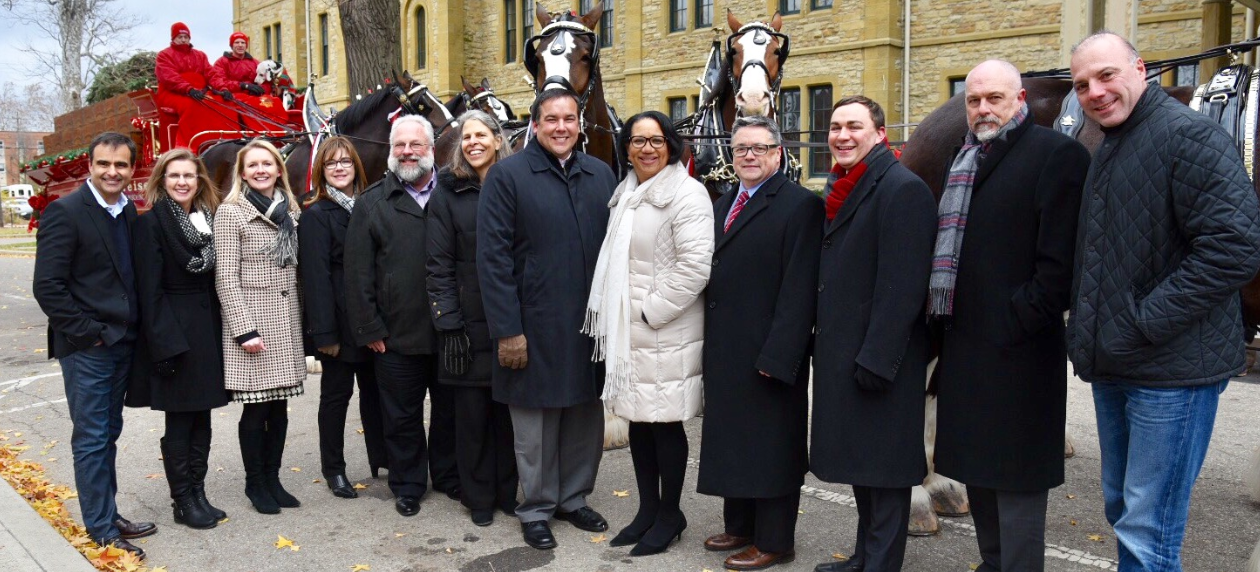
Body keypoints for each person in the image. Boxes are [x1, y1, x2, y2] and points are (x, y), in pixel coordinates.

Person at [1068, 32, 1260, 572]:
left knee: (1148, 528)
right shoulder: (1113, 143)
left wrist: (1140, 322)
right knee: (1124, 510)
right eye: (1083, 84)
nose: (1096, 92)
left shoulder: (1188, 138)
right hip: (1119, 363)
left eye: (1107, 75)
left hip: (1170, 373)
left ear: (1140, 69)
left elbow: (1235, 249)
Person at [930, 61, 1090, 572]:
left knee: (1017, 482)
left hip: (1020, 352)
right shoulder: (965, 158)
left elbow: (1060, 268)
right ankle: (992, 563)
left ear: (1019, 99)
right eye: (974, 100)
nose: (983, 109)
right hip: (966, 347)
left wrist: (1011, 321)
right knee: (976, 471)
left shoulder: (1055, 156)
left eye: (994, 98)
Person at [477, 89, 616, 550]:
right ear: (535, 124)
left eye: (569, 119)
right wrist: (507, 330)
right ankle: (535, 507)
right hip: (531, 326)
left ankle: (573, 499)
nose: (561, 127)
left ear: (581, 124)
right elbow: (492, 260)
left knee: (582, 416)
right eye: (551, 118)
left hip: (588, 327)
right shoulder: (508, 176)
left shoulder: (600, 174)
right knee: (534, 427)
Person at [809, 96, 936, 572]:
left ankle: (880, 565)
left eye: (854, 126)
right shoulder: (849, 185)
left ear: (880, 134)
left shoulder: (902, 189)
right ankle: (865, 558)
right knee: (864, 465)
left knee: (884, 472)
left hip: (881, 357)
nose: (842, 135)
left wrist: (877, 359)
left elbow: (903, 287)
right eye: (836, 126)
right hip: (850, 352)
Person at [585, 110, 713, 557]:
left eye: (656, 140)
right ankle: (648, 510)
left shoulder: (687, 195)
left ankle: (671, 514)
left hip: (663, 327)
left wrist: (647, 311)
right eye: (637, 141)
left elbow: (695, 267)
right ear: (626, 148)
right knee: (639, 421)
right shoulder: (627, 194)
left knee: (664, 423)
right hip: (630, 331)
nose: (647, 148)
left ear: (671, 145)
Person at [697, 115, 822, 571]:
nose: (749, 156)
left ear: (778, 153)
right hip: (728, 346)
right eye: (741, 148)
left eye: (759, 148)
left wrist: (781, 353)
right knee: (735, 439)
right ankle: (741, 525)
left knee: (772, 446)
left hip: (771, 349)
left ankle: (775, 541)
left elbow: (800, 287)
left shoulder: (798, 205)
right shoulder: (724, 201)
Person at [33, 132, 157, 559]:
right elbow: (47, 287)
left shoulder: (127, 212)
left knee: (108, 434)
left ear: (130, 169)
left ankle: (108, 513)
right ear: (90, 165)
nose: (112, 172)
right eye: (104, 164)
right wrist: (91, 333)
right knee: (91, 437)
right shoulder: (65, 213)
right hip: (88, 346)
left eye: (121, 165)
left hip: (122, 342)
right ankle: (101, 529)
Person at [345, 115, 460, 518]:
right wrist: (370, 327)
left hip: (449, 331)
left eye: (416, 144)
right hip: (395, 335)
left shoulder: (453, 194)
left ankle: (447, 476)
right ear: (391, 150)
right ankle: (409, 483)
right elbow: (357, 272)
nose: (408, 151)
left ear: (432, 149)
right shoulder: (372, 202)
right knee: (401, 416)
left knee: (449, 411)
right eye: (400, 145)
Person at [127, 149, 232, 530]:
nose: (183, 182)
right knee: (180, 422)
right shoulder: (152, 224)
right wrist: (165, 344)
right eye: (175, 176)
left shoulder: (206, 220)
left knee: (202, 417)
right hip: (174, 334)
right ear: (162, 180)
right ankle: (183, 501)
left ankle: (199, 493)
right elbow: (149, 291)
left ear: (200, 180)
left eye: (190, 175)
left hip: (206, 332)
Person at [426, 110, 520, 526]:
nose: (474, 142)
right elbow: (438, 261)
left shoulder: (517, 181)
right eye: (467, 136)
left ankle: (506, 492)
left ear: (498, 140)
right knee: (470, 416)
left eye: (482, 134)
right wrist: (447, 320)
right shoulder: (447, 190)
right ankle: (477, 496)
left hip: (510, 318)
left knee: (507, 414)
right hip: (464, 320)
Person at [214, 139, 307, 515]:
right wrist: (243, 328)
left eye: (267, 164)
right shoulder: (231, 213)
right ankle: (256, 483)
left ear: (279, 169)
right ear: (242, 172)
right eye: (252, 165)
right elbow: (226, 277)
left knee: (279, 408)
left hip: (286, 322)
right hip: (254, 326)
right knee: (256, 411)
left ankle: (274, 478)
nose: (260, 170)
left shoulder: (291, 211)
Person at [298, 136, 388, 498]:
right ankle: (334, 469)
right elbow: (316, 278)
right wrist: (325, 335)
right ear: (322, 170)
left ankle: (381, 459)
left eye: (345, 162)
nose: (339, 168)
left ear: (356, 167)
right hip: (338, 324)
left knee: (376, 394)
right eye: (331, 163)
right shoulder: (317, 214)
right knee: (336, 398)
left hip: (373, 322)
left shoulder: (368, 206)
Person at [154, 22, 233, 149]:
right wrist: (188, 89)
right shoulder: (164, 55)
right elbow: (168, 77)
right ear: (173, 38)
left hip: (200, 92)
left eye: (186, 37)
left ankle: (224, 142)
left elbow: (211, 74)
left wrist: (222, 88)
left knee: (221, 103)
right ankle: (192, 144)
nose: (183, 40)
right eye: (180, 37)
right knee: (191, 105)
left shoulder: (200, 55)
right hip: (174, 92)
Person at [213, 32, 266, 96]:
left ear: (246, 45)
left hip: (254, 97)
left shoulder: (255, 63)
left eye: (243, 43)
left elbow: (266, 81)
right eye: (237, 42)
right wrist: (242, 85)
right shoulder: (221, 62)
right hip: (232, 98)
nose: (240, 45)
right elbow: (218, 81)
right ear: (232, 45)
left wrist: (261, 89)